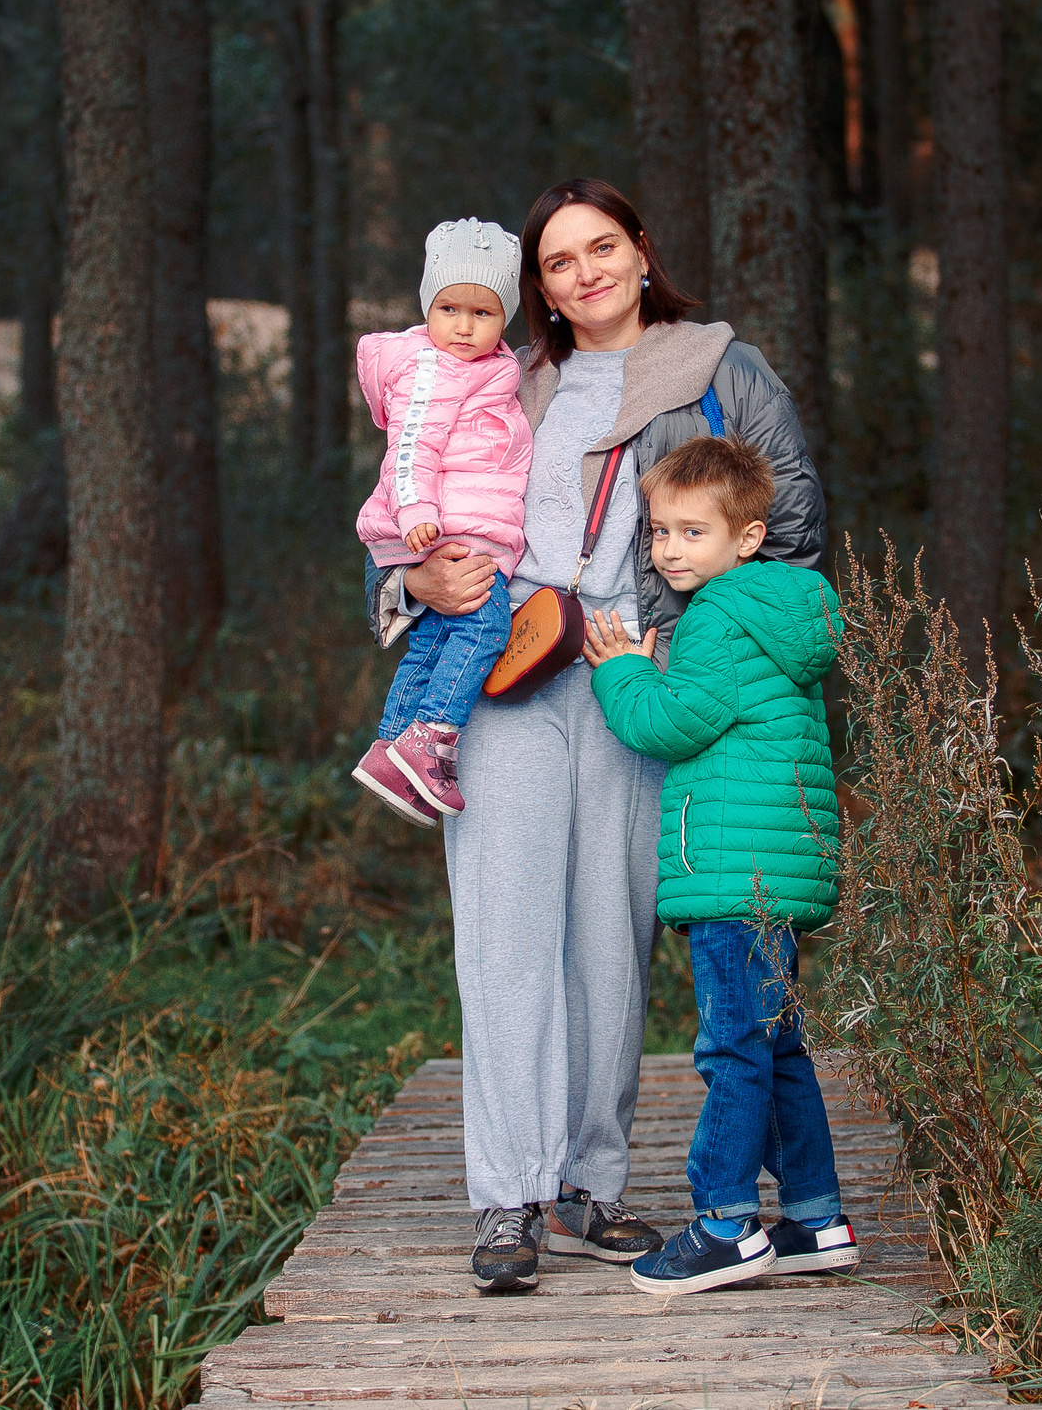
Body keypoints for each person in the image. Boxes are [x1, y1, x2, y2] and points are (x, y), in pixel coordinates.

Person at [370, 176, 825, 1294]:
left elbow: (794, 534)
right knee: (506, 940)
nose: (585, 272)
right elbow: (403, 504)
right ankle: (507, 1198)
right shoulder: (500, 378)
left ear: (641, 249)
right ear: (540, 289)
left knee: (609, 942)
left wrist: (695, 656)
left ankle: (589, 1185)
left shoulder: (723, 370)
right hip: (508, 676)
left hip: (643, 685)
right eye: (559, 261)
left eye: (602, 246)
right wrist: (414, 576)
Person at [582, 436, 859, 1295]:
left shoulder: (715, 617)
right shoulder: (788, 610)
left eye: (692, 532)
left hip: (732, 874)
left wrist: (621, 671)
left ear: (746, 537)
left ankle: (726, 1222)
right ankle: (816, 1217)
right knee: (777, 1048)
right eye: (661, 531)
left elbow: (674, 722)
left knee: (731, 1047)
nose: (669, 549)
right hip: (779, 869)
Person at [351, 220, 534, 825]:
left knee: (432, 644)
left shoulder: (487, 366)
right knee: (485, 628)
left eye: (482, 313)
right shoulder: (434, 370)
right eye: (448, 308)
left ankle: (390, 745)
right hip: (438, 529)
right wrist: (418, 515)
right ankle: (432, 738)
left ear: (504, 318)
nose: (463, 325)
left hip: (450, 525)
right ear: (426, 306)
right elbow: (411, 449)